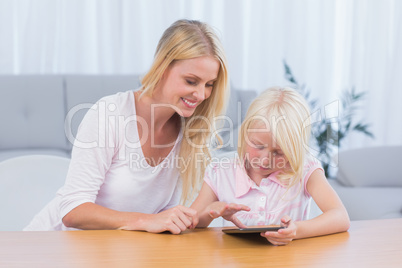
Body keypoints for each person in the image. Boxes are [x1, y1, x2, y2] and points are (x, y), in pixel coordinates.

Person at [24, 19, 229, 234]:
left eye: (209, 85)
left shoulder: (190, 132)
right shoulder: (110, 113)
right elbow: (73, 210)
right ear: (163, 67)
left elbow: (164, 215)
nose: (201, 95)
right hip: (50, 245)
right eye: (191, 81)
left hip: (109, 252)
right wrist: (146, 221)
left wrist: (204, 215)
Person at [191, 86, 350, 245]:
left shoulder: (305, 168)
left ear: (294, 150)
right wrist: (211, 212)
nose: (265, 160)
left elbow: (340, 217)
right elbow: (192, 221)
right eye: (258, 146)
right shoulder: (221, 170)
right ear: (244, 134)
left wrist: (296, 230)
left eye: (279, 152)